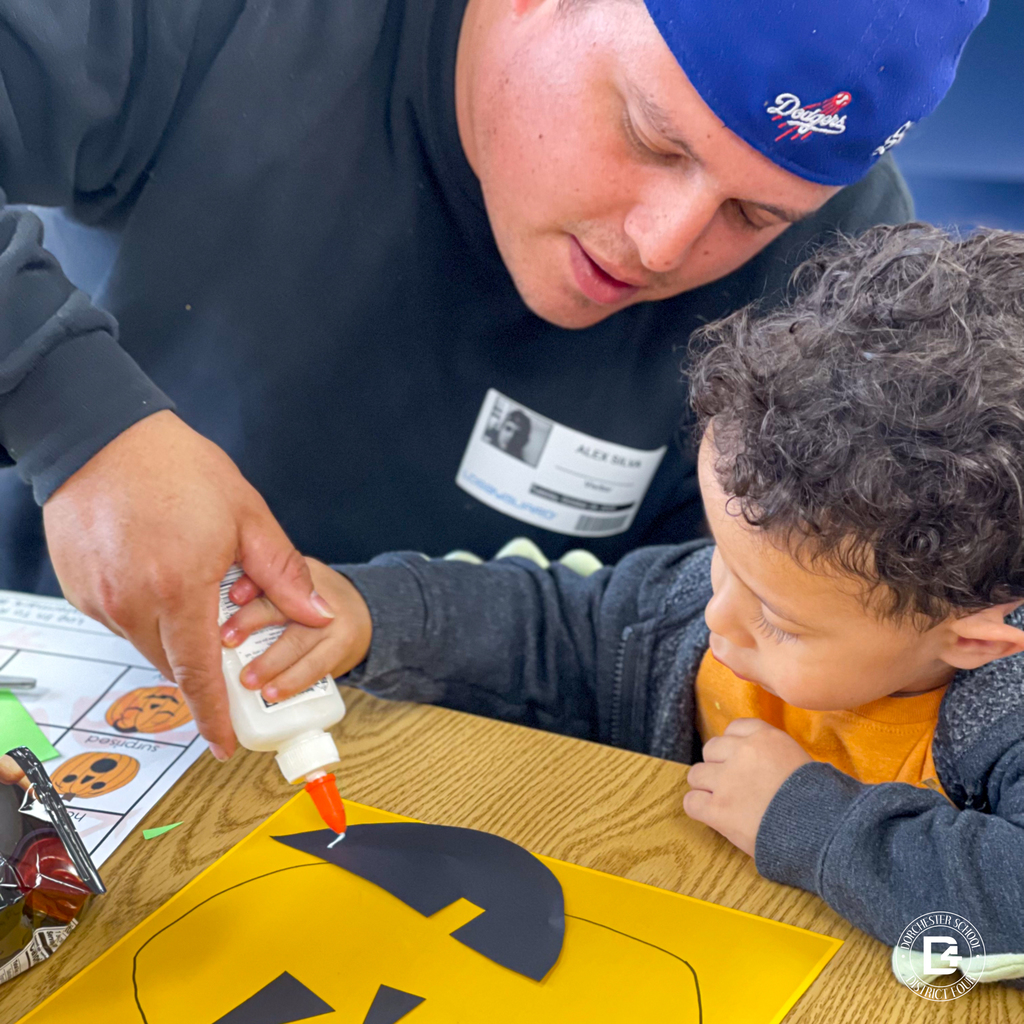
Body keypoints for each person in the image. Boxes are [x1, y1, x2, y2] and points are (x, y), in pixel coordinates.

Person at [0, 0, 987, 756]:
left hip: (493, 757)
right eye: (651, 137)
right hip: (56, 685)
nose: (661, 244)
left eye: (753, 218)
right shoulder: (236, 23)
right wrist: (74, 418)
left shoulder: (844, 274)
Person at [219, 225, 1024, 982]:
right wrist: (375, 612)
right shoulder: (709, 596)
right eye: (722, 562)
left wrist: (805, 820)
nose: (717, 621)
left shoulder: (1004, 707)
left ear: (974, 639)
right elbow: (556, 629)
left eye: (779, 620)